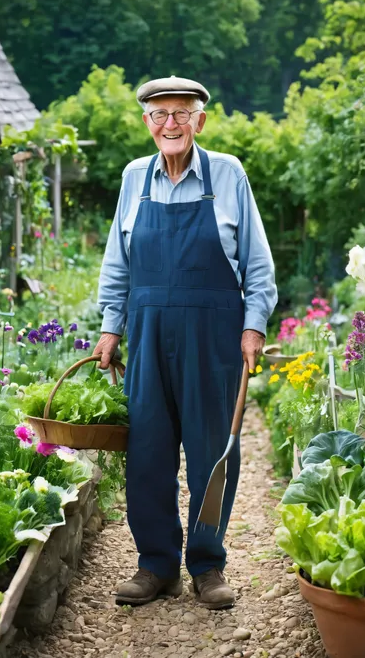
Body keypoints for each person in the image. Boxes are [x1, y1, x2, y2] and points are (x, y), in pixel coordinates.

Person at [94, 76, 277, 610]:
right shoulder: (134, 178)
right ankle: (156, 566)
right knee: (147, 449)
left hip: (213, 334)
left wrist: (254, 323)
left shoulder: (227, 174)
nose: (169, 124)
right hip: (148, 332)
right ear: (147, 122)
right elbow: (118, 262)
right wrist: (111, 325)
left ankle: (207, 563)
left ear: (200, 120)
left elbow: (257, 263)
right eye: (159, 114)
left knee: (211, 450)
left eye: (181, 113)